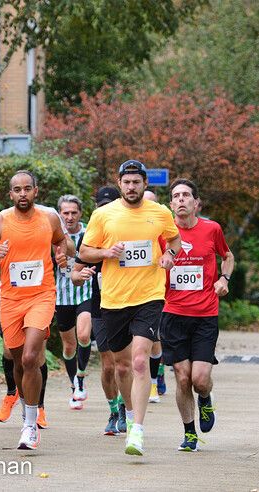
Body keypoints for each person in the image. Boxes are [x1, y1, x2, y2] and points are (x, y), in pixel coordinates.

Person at [79, 160, 181, 456]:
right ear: (120, 183)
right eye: (127, 182)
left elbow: (174, 239)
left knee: (138, 362)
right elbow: (85, 252)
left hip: (149, 296)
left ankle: (137, 429)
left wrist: (170, 256)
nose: (132, 187)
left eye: (137, 182)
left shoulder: (160, 212)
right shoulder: (103, 215)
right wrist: (105, 252)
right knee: (122, 365)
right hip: (113, 300)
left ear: (144, 184)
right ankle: (127, 410)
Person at [0, 170, 74, 450]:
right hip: (10, 299)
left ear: (36, 191)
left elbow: (65, 244)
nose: (22, 194)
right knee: (18, 362)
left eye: (27, 189)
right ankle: (25, 405)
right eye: (17, 190)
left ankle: (30, 425)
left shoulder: (49, 218)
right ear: (10, 194)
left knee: (31, 357)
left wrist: (64, 249)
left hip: (42, 295)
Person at [160, 178, 234, 452]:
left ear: (196, 202)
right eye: (176, 196)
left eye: (186, 195)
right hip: (173, 314)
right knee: (182, 377)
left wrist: (224, 279)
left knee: (199, 379)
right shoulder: (163, 235)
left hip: (205, 314)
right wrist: (162, 263)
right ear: (170, 205)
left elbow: (228, 256)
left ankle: (205, 397)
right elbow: (154, 265)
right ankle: (189, 432)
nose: (181, 199)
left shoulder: (211, 229)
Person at [71, 185, 127, 435]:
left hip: (131, 304)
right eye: (100, 206)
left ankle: (126, 409)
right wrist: (79, 275)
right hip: (101, 305)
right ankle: (114, 409)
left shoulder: (131, 231)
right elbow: (75, 273)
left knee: (126, 363)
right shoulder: (91, 236)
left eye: (109, 205)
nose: (104, 210)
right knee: (108, 366)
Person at [54, 194, 94, 410]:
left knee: (84, 335)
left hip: (85, 292)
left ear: (80, 213)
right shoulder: (52, 234)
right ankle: (74, 386)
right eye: (65, 213)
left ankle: (80, 376)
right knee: (69, 346)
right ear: (60, 214)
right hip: (62, 296)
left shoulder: (89, 232)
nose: (69, 217)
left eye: (73, 213)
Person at [143, 190, 167, 402]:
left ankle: (155, 378)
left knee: (155, 338)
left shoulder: (163, 226)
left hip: (159, 287)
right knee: (148, 340)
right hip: (138, 289)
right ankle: (154, 377)